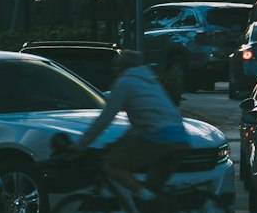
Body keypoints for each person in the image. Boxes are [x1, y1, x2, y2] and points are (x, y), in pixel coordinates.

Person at [70, 51, 190, 203]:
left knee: (112, 166)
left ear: (120, 67)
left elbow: (104, 119)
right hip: (180, 138)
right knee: (154, 186)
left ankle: (147, 198)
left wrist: (81, 145)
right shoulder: (150, 80)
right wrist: (118, 142)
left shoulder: (124, 83)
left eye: (115, 66)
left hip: (158, 137)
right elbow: (143, 122)